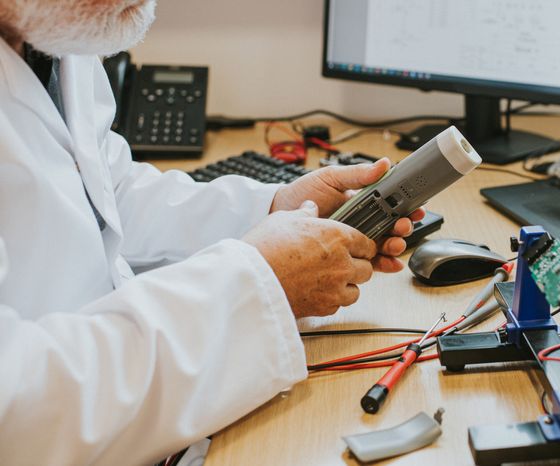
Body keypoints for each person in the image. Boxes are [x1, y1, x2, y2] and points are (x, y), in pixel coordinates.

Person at [0, 0, 424, 464]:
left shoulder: (57, 39)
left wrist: (271, 209)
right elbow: (17, 405)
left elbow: (106, 192)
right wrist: (261, 282)